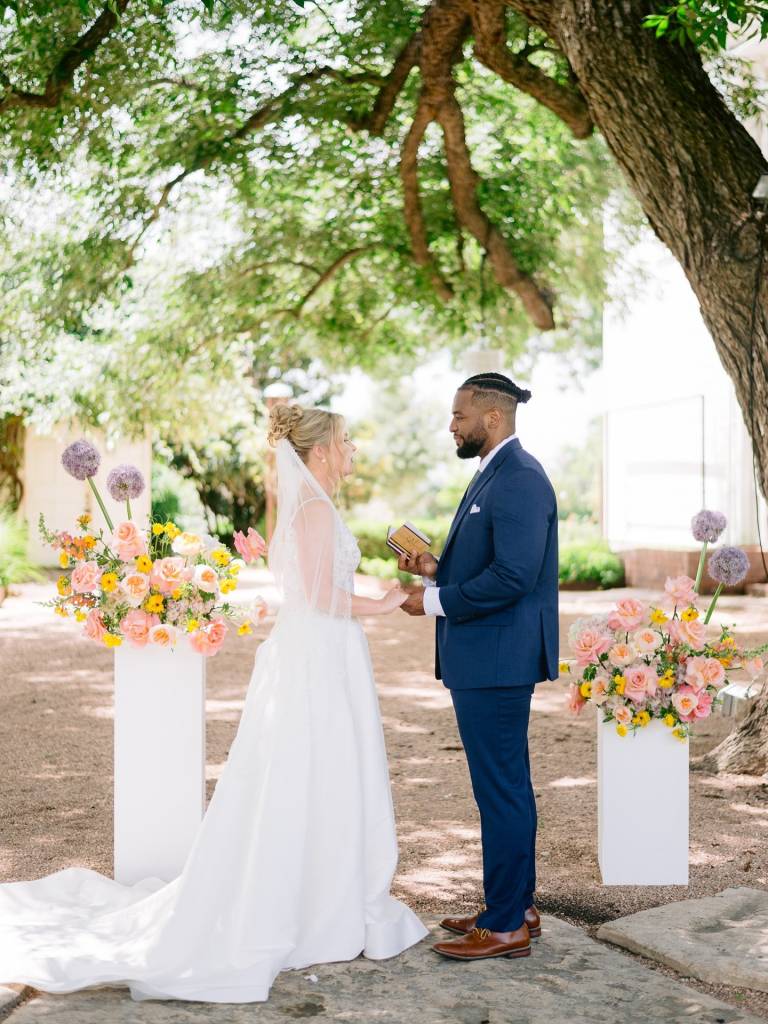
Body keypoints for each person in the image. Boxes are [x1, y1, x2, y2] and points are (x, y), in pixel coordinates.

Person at [0, 404, 427, 1003]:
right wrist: (382, 604)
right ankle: (310, 905)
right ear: (322, 451)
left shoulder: (315, 507)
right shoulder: (312, 510)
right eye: (346, 440)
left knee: (327, 769)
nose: (353, 449)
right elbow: (315, 594)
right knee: (313, 769)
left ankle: (325, 891)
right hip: (317, 655)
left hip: (326, 654)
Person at [399, 372, 559, 962]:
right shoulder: (496, 471)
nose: (452, 425)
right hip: (488, 656)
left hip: (497, 660)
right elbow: (492, 559)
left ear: (493, 417)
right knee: (504, 786)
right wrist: (437, 568)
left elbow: (516, 575)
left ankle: (506, 924)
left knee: (501, 790)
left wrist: (435, 601)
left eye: (459, 415)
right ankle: (516, 906)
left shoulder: (519, 477)